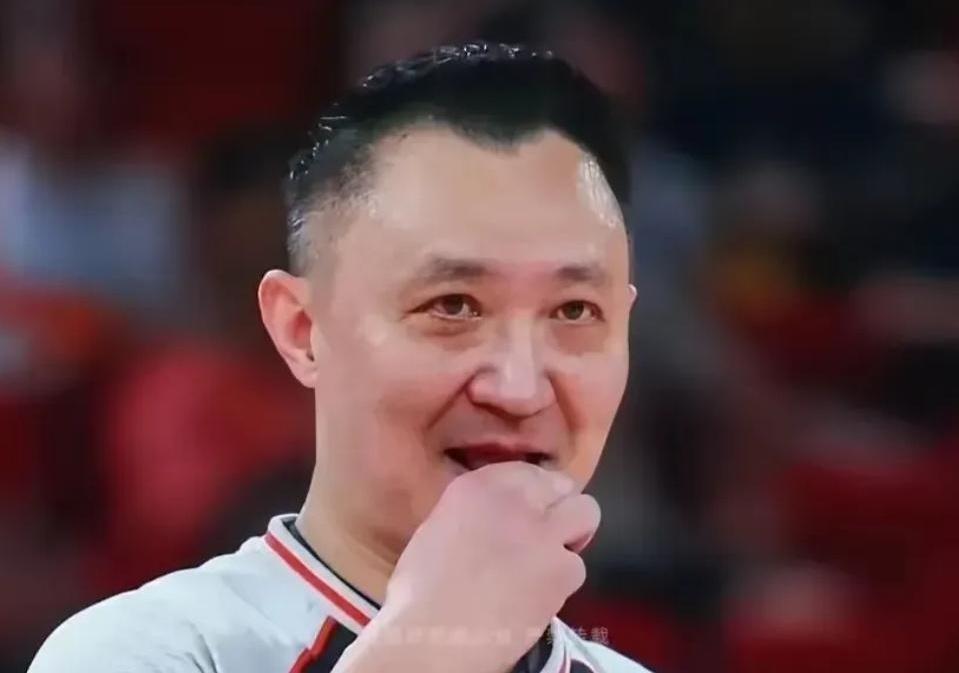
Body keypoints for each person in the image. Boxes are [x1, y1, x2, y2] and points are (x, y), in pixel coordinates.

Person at [29, 42, 650, 673]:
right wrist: (433, 648)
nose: (520, 389)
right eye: (453, 305)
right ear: (302, 330)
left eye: (575, 311)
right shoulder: (143, 652)